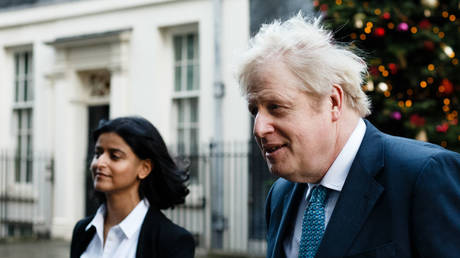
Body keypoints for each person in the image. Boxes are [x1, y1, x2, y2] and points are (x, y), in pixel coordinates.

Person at [237, 13, 460, 258]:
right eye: (254, 111)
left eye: (275, 107)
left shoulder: (423, 176)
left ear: (333, 101)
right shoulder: (280, 195)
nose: (259, 129)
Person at [70, 116, 195, 258]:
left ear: (144, 168)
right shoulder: (82, 231)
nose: (100, 163)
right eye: (98, 153)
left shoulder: (172, 241)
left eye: (115, 156)